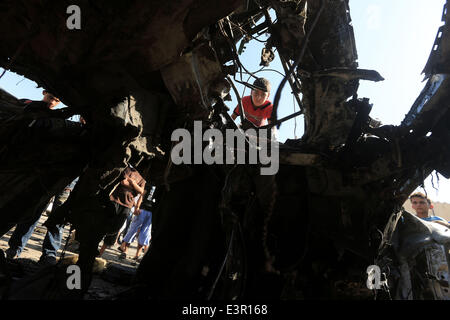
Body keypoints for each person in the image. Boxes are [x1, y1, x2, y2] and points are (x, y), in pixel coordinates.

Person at [5, 178, 78, 264]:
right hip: (49, 176)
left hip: (68, 180)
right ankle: (15, 249)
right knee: (32, 214)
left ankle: (49, 255)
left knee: (57, 220)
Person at [98, 166, 146, 257]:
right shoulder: (127, 169)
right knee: (104, 224)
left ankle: (100, 253)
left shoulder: (143, 177)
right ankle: (93, 247)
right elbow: (123, 182)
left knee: (115, 229)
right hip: (115, 200)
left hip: (128, 205)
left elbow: (141, 191)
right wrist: (135, 185)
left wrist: (131, 182)